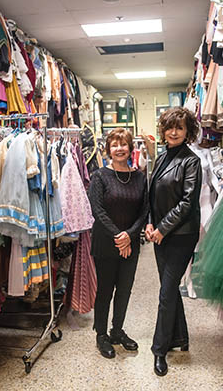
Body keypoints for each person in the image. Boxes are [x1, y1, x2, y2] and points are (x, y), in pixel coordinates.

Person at [145, 107, 202, 376]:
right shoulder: (161, 157)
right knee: (168, 290)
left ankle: (159, 350)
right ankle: (180, 338)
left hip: (181, 235)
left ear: (187, 130)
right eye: (169, 127)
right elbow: (151, 193)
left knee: (166, 292)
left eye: (179, 127)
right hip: (160, 234)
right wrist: (149, 223)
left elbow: (188, 203)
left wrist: (162, 229)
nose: (174, 132)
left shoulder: (192, 162)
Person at [88, 128, 148, 359]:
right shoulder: (100, 176)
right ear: (108, 149)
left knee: (124, 290)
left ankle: (117, 330)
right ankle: (101, 334)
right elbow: (97, 210)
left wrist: (129, 236)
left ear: (130, 148)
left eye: (123, 144)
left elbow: (144, 211)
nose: (119, 148)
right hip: (105, 243)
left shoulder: (140, 177)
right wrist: (119, 236)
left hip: (130, 244)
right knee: (105, 291)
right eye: (115, 145)